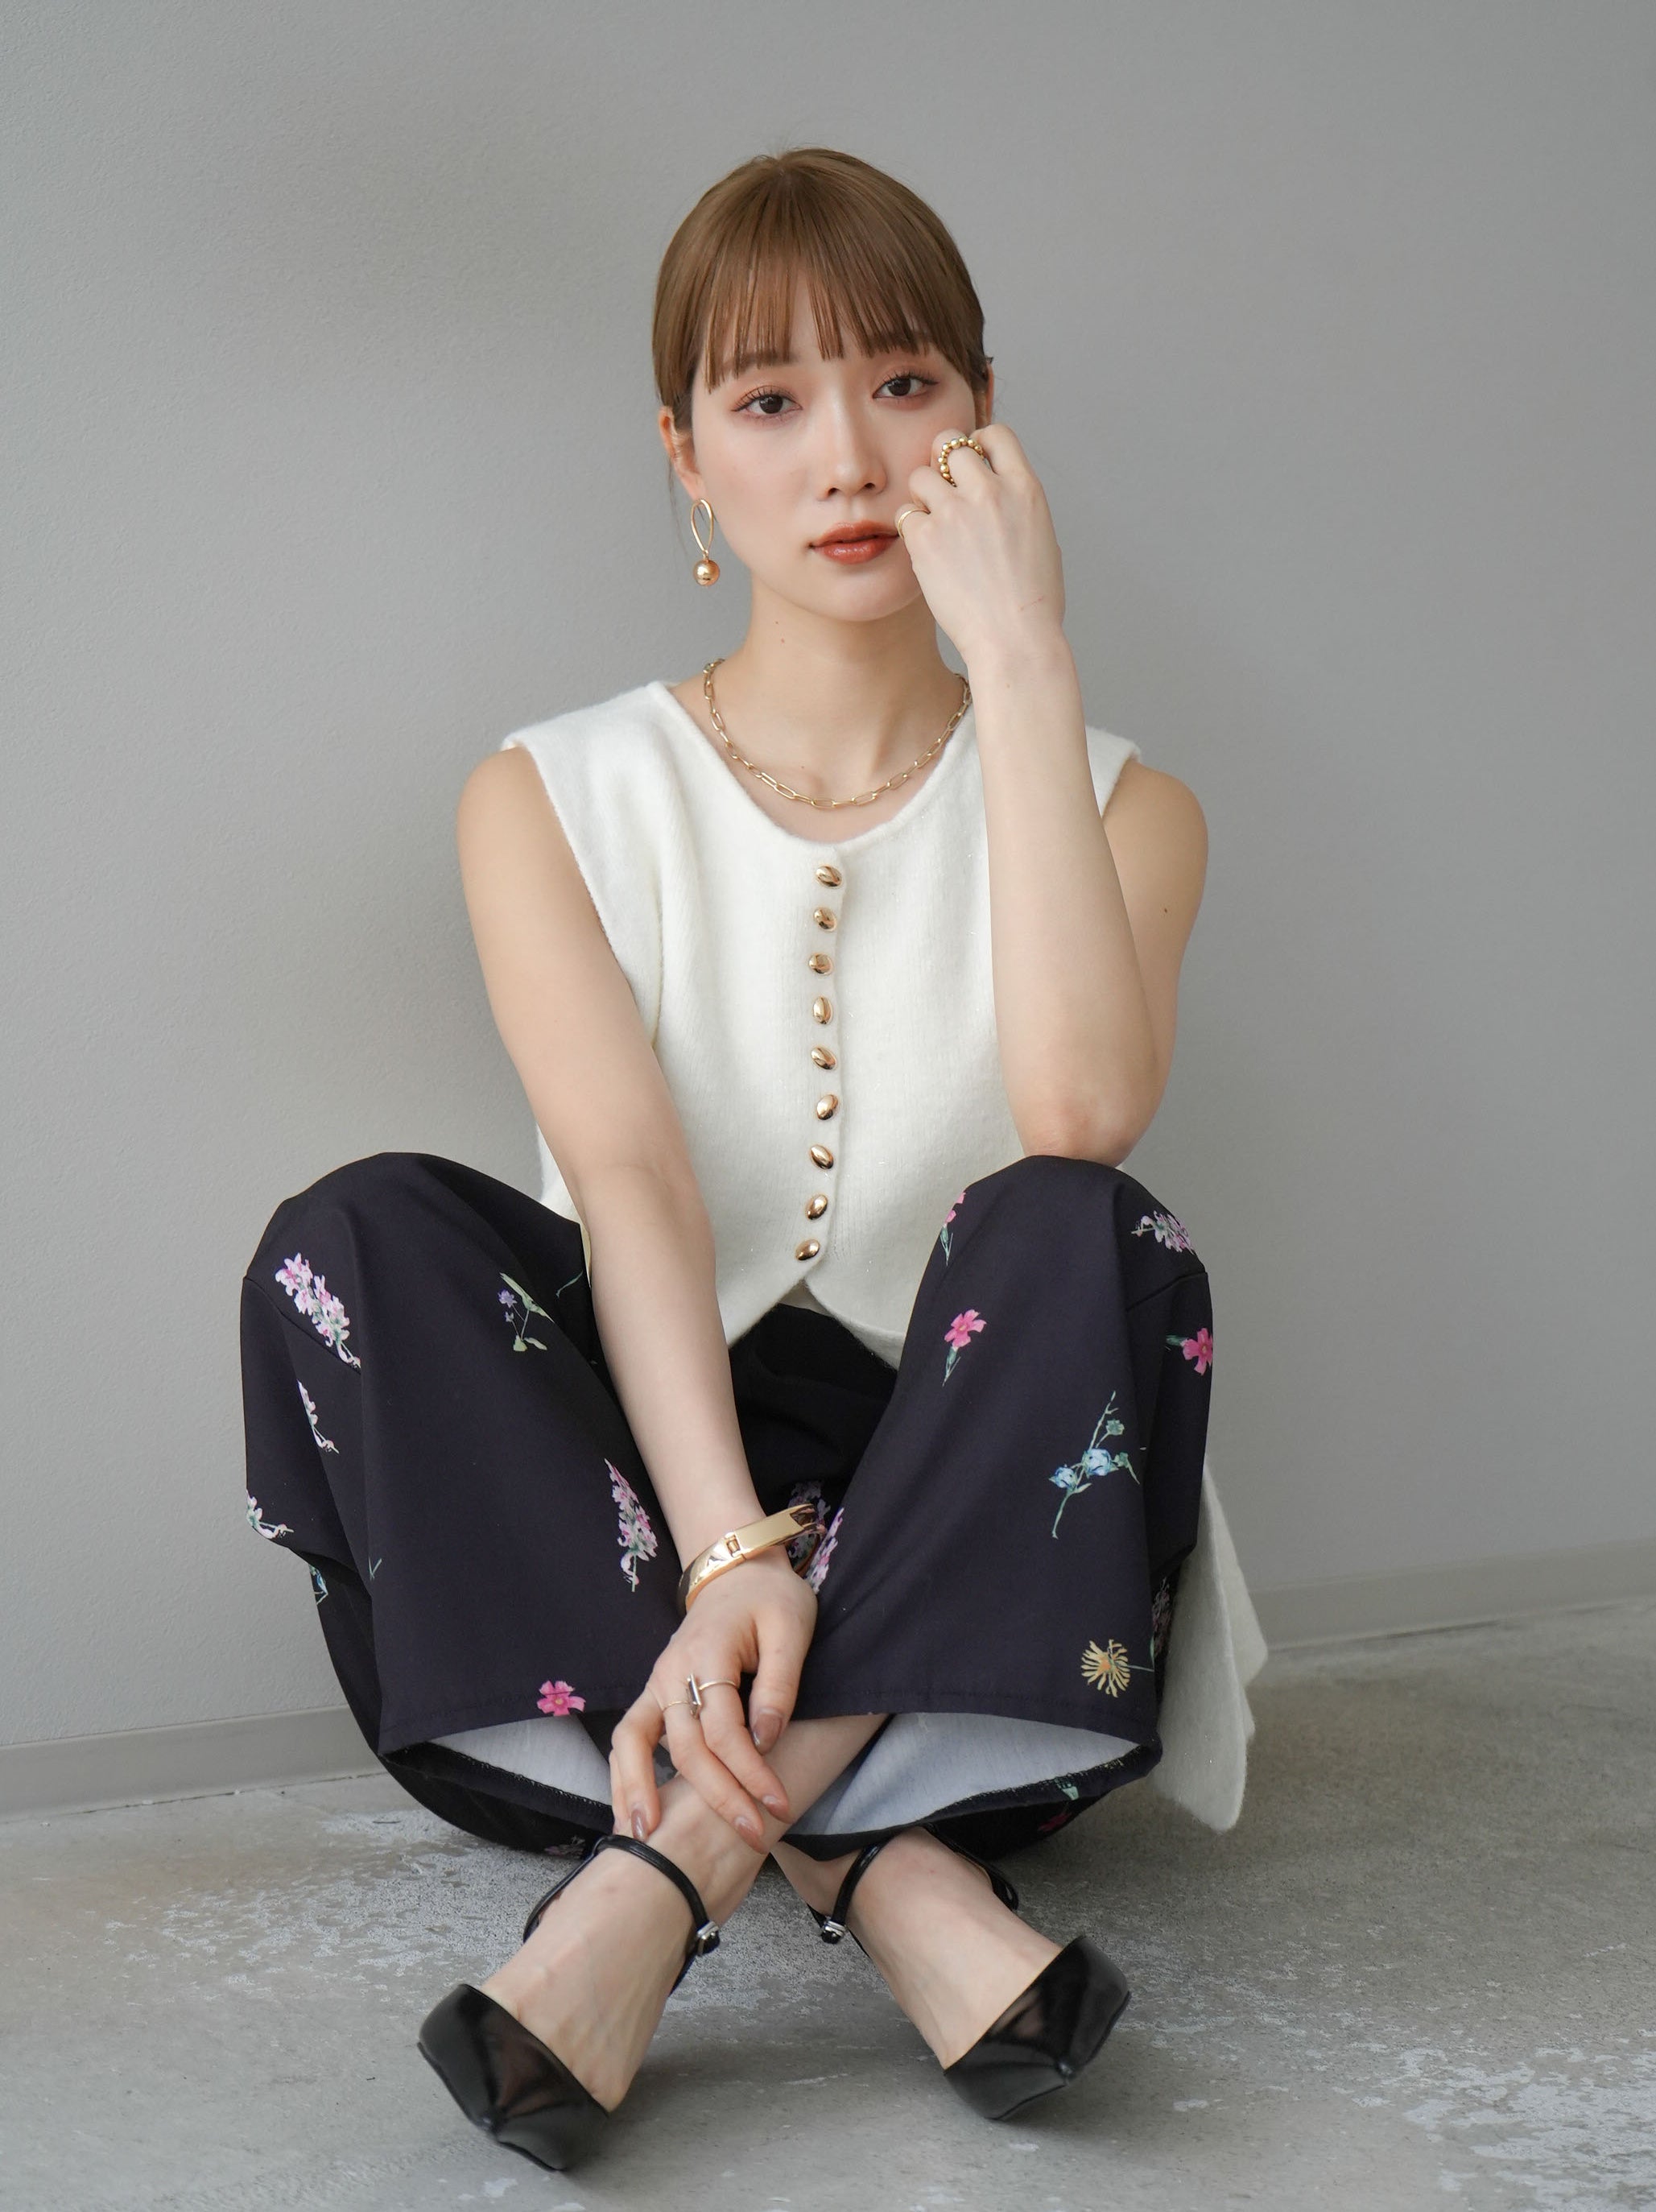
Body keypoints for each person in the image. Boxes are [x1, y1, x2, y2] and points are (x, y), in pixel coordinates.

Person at [237, 146, 1266, 2173]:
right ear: (685, 459)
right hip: (641, 1535)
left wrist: (1026, 663)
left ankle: (665, 1880)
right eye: (770, 400)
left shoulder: (1131, 809)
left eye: (904, 384)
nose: (849, 456)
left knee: (1084, 1228)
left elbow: (1076, 1113)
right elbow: (627, 1181)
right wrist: (726, 1553)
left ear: (984, 418)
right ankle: (888, 1873)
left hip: (983, 1540)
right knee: (349, 1233)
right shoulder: (547, 792)